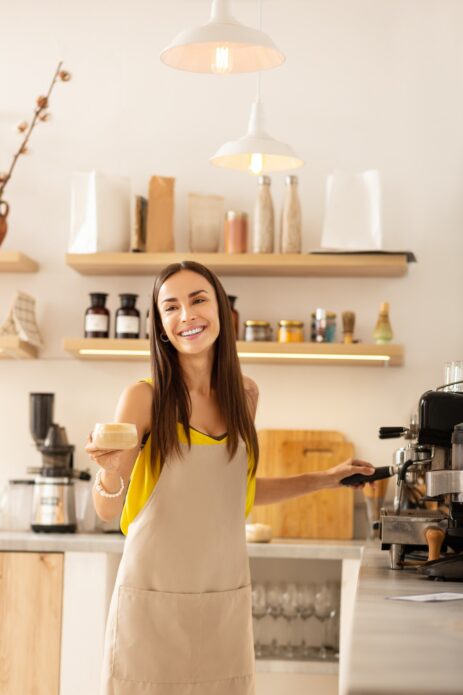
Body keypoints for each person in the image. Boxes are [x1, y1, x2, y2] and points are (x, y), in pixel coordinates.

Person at [86, 260, 375, 695]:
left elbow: (232, 491)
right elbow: (108, 510)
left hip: (222, 597)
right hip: (151, 602)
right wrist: (110, 473)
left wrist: (324, 479)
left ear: (222, 310)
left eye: (198, 300)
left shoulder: (245, 394)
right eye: (171, 307)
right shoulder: (144, 398)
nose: (187, 315)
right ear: (161, 326)